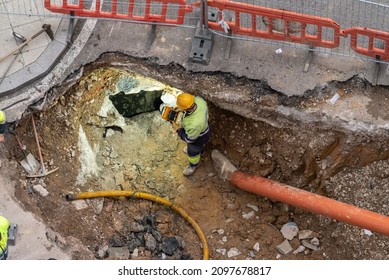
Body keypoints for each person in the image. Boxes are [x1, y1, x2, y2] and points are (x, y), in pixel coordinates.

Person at [175, 93, 211, 176]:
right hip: (205, 130)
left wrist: (178, 130)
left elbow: (189, 139)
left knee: (192, 152)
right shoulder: (200, 101)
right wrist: (182, 109)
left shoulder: (193, 124)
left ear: (187, 108)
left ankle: (193, 165)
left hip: (199, 138)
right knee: (200, 147)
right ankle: (201, 152)